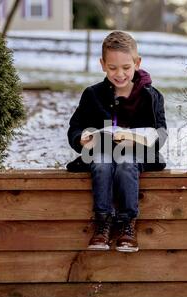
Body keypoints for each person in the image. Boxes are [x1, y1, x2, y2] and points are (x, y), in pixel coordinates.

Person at [67, 30, 167, 253]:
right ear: (102, 64)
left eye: (126, 68)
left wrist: (138, 141)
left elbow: (160, 133)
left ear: (137, 63)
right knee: (102, 164)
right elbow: (76, 127)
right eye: (112, 68)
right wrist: (82, 139)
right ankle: (103, 222)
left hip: (135, 153)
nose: (119, 74)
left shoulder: (151, 97)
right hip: (101, 151)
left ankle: (127, 223)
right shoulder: (92, 94)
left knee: (125, 164)